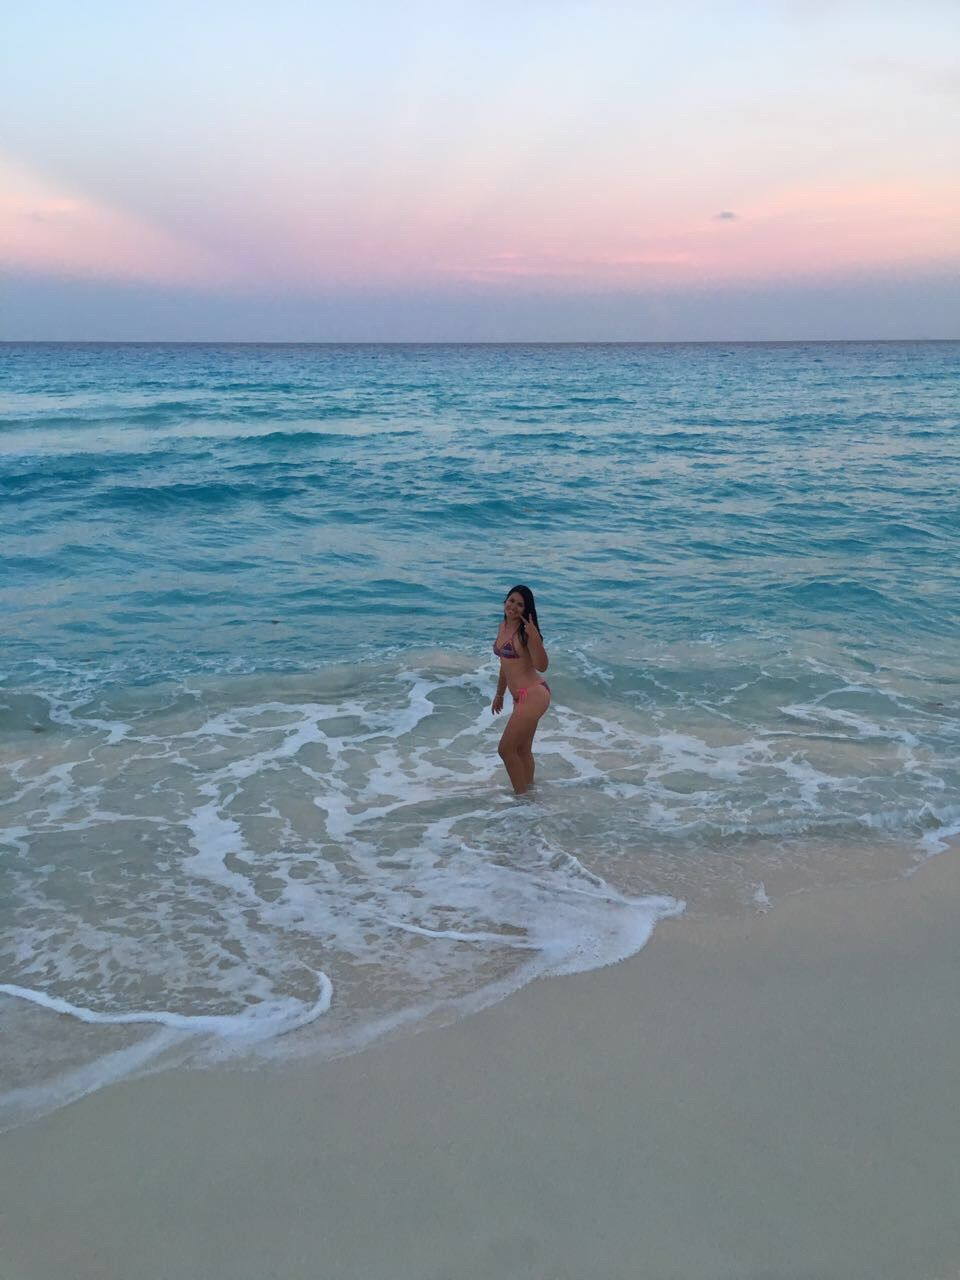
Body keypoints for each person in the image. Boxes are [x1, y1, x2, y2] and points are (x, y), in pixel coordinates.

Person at [491, 584, 551, 794]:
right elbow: (504, 666)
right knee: (522, 750)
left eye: (520, 604)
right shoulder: (502, 627)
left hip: (534, 693)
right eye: (511, 601)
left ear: (526, 610)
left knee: (505, 749)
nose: (514, 607)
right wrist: (499, 694)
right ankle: (530, 792)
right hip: (520, 697)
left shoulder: (526, 634)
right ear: (505, 601)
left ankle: (521, 800)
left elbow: (542, 666)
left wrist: (535, 638)